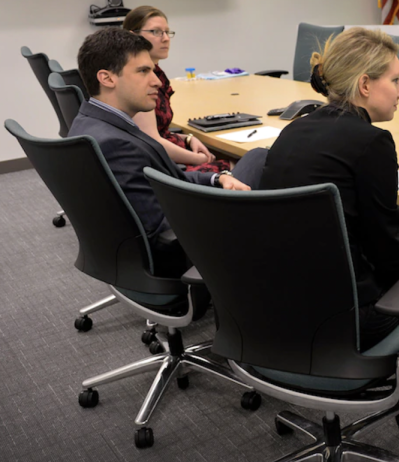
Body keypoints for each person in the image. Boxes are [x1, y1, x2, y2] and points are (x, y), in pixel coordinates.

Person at [259, 27, 399, 388]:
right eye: (396, 81)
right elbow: (385, 257)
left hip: (275, 304)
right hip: (344, 317)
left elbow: (356, 226)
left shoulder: (294, 130)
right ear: (365, 85)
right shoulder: (371, 143)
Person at [68, 28, 266, 277]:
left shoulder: (93, 122)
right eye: (143, 71)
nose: (157, 82)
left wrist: (216, 179)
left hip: (161, 231)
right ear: (107, 78)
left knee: (255, 160)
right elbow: (162, 230)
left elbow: (168, 180)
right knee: (263, 164)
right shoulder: (116, 144)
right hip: (181, 253)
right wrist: (224, 208)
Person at [122, 5, 228, 173]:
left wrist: (188, 139)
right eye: (156, 32)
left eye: (167, 32)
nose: (165, 39)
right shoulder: (139, 80)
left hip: (169, 153)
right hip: (166, 168)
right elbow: (152, 140)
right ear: (133, 36)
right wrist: (199, 158)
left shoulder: (157, 73)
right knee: (251, 161)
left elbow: (160, 132)